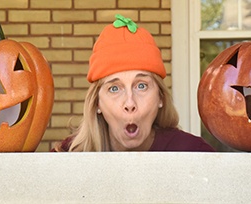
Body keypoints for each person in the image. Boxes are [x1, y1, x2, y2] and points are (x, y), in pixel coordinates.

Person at [53, 14, 215, 152]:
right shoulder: (68, 157)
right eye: (114, 88)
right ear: (97, 103)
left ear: (160, 98)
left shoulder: (193, 153)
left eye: (141, 86)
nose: (130, 103)